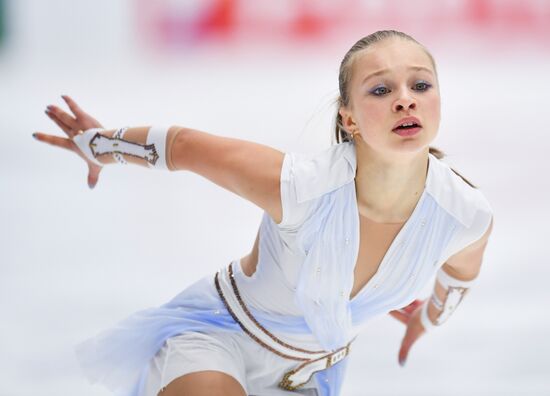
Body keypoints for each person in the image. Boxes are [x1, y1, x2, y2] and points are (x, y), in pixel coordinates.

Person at [33, 30, 494, 396]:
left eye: (420, 84)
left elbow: (458, 278)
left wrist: (427, 321)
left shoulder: (464, 214)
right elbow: (185, 146)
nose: (405, 99)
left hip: (310, 374)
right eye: (380, 89)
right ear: (349, 119)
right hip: (218, 336)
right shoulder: (302, 188)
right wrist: (101, 146)